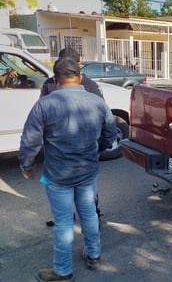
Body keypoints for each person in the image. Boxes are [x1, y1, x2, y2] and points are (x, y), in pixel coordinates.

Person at [19, 58, 117, 282]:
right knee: (89, 213)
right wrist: (99, 149)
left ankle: (63, 271)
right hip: (87, 171)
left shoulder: (45, 104)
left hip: (58, 175)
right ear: (80, 78)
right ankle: (94, 254)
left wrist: (27, 164)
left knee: (63, 221)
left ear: (55, 80)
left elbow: (30, 139)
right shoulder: (98, 102)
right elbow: (110, 133)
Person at [41, 48, 103, 227]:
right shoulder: (49, 84)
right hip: (59, 152)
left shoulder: (91, 86)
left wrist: (98, 147)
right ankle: (67, 216)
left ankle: (92, 215)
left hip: (83, 151)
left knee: (87, 192)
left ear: (79, 65)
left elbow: (101, 118)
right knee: (64, 191)